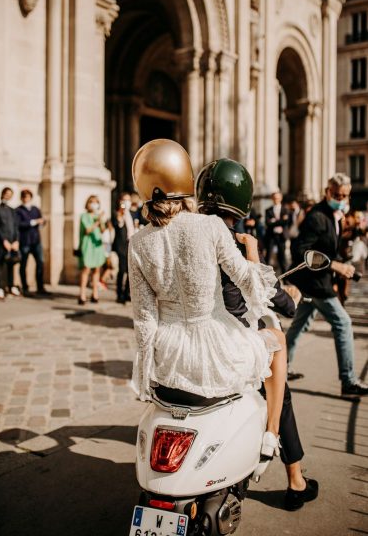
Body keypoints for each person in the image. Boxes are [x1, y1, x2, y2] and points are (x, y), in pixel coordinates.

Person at [129, 139, 287, 461]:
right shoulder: (210, 226)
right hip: (215, 348)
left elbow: (144, 319)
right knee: (278, 340)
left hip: (169, 354)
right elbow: (250, 283)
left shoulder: (138, 242)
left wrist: (146, 375)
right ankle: (272, 432)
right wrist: (253, 253)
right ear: (184, 180)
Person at [196, 157, 318, 511]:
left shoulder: (188, 236)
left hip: (189, 342)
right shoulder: (234, 243)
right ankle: (292, 474)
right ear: (243, 202)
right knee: (279, 372)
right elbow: (270, 298)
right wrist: (280, 286)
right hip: (227, 341)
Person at [286, 173, 368, 397]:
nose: (341, 199)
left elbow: (328, 246)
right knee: (343, 323)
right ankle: (348, 380)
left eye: (345, 196)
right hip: (315, 283)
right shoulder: (317, 216)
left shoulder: (335, 214)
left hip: (315, 282)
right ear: (327, 192)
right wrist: (335, 266)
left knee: (299, 325)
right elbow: (301, 251)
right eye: (337, 195)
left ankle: (279, 368)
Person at [15, 189, 48, 296]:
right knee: (23, 264)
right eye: (24, 197)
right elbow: (19, 225)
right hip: (25, 241)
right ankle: (25, 287)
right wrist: (33, 222)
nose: (26, 199)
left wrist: (42, 222)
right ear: (21, 198)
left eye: (28, 197)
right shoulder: (18, 210)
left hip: (36, 240)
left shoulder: (35, 209)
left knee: (40, 262)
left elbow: (41, 221)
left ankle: (40, 286)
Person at [0, 187, 21, 300]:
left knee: (11, 264)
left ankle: (11, 286)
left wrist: (16, 241)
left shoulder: (12, 210)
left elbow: (15, 227)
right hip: (2, 242)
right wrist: (4, 240)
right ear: (3, 194)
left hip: (12, 241)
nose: (8, 196)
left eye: (10, 194)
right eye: (7, 193)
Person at [78, 195, 106, 305]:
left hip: (97, 246)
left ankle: (95, 293)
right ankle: (82, 294)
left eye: (96, 202)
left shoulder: (97, 216)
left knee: (96, 270)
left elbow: (103, 230)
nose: (94, 204)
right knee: (86, 270)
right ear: (87, 204)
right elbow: (88, 230)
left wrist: (101, 220)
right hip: (88, 245)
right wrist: (98, 221)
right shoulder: (84, 216)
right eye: (91, 202)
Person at [112, 192, 135, 304]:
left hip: (130, 244)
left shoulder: (132, 214)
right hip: (121, 245)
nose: (127, 202)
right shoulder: (117, 213)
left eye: (128, 200)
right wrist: (120, 215)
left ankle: (127, 293)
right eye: (124, 200)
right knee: (121, 270)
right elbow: (117, 225)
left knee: (130, 271)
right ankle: (119, 294)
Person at [264, 190, 290, 274]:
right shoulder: (268, 210)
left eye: (278, 198)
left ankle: (285, 276)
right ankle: (265, 275)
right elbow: (268, 223)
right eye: (275, 198)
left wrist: (274, 221)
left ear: (281, 198)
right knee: (268, 256)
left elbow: (286, 222)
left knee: (282, 257)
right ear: (272, 199)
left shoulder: (285, 209)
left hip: (281, 235)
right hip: (271, 235)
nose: (276, 199)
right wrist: (280, 221)